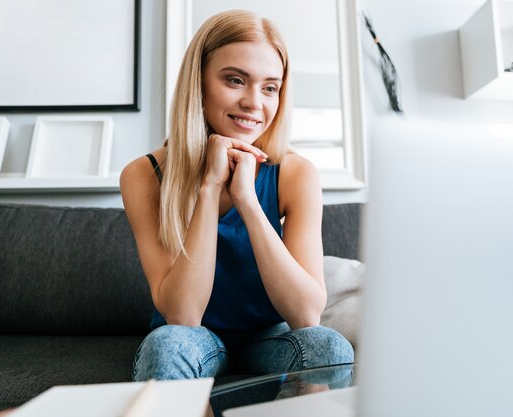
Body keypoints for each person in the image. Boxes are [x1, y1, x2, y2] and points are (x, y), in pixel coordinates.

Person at [120, 9, 354, 381]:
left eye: (269, 87)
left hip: (271, 339)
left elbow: (306, 314)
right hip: (194, 339)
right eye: (234, 80)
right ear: (198, 82)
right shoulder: (144, 175)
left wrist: (247, 199)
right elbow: (183, 315)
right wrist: (211, 187)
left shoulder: (296, 173)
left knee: (329, 346)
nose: (253, 102)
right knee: (167, 344)